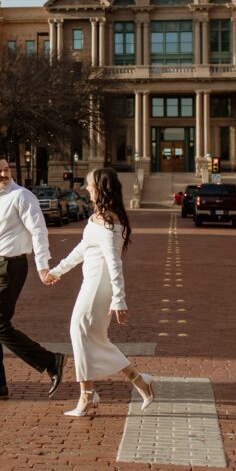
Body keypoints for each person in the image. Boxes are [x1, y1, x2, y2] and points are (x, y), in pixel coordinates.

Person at [44, 167, 155, 417]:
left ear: (101, 188)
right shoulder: (99, 218)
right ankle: (140, 381)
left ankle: (87, 395)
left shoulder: (108, 222)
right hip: (91, 282)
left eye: (89, 185)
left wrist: (119, 299)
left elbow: (114, 261)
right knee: (94, 338)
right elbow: (82, 249)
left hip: (98, 286)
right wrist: (58, 271)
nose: (86, 188)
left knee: (79, 332)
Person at [0, 155, 66, 400]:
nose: (4, 174)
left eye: (6, 169)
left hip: (11, 266)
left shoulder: (21, 196)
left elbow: (38, 230)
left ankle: (51, 361)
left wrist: (42, 266)